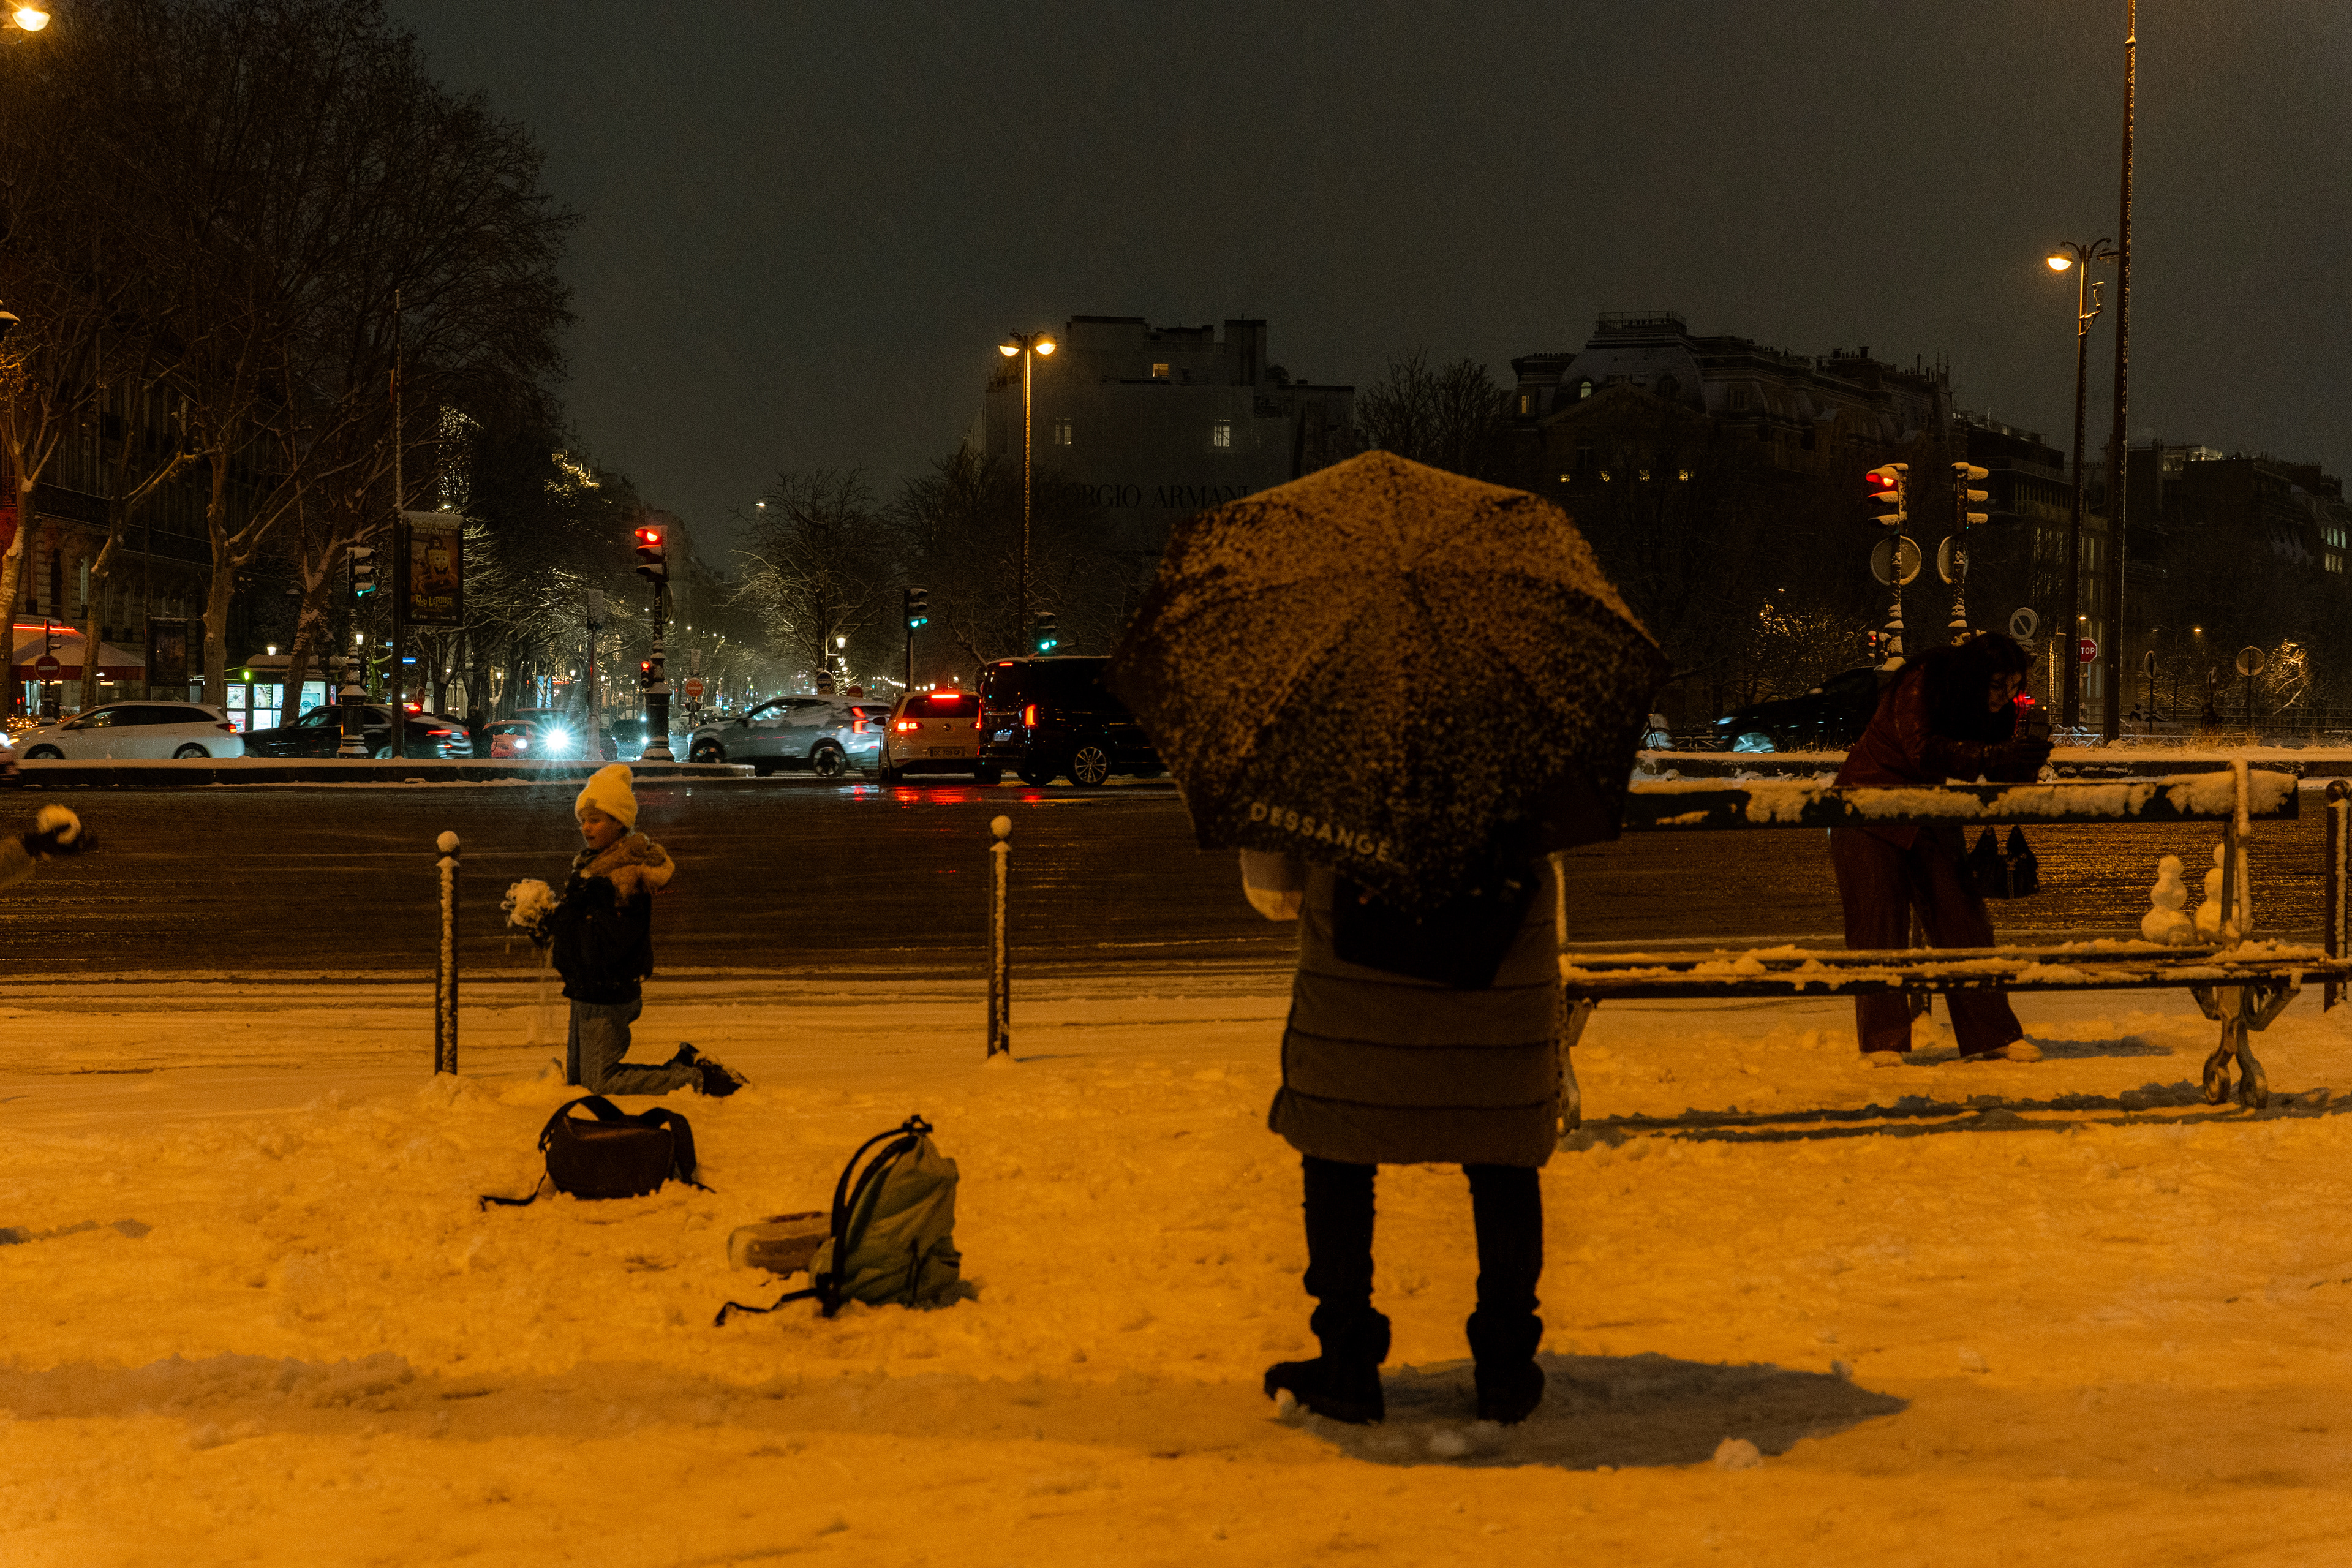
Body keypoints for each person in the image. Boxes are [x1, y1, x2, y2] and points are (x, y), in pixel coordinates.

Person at [1242, 839, 1558, 1428]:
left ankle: (1347, 1358)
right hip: (1502, 939)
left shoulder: (1334, 748)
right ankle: (1506, 1365)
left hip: (1358, 946)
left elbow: (1275, 892)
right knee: (1503, 1146)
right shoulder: (1518, 750)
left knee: (1340, 1138)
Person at [1831, 633, 2052, 1063]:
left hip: (1930, 807)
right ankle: (1883, 1041)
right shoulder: (1924, 681)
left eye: (2013, 688)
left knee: (1964, 920)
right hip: (1869, 806)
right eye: (1997, 687)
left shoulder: (1983, 703)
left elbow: (1977, 758)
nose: (2004, 697)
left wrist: (2021, 762)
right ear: (1973, 676)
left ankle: (1991, 1035)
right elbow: (1923, 750)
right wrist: (1995, 757)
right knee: (1879, 927)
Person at [538, 763, 743, 1097]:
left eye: (595, 819)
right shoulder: (592, 868)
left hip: (608, 990)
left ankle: (695, 1079)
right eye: (583, 820)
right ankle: (686, 1066)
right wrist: (545, 923)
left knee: (600, 1082)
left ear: (619, 823)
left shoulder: (622, 879)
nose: (586, 828)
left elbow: (604, 943)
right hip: (586, 987)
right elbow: (578, 929)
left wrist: (559, 923)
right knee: (579, 1082)